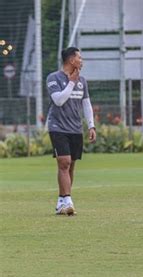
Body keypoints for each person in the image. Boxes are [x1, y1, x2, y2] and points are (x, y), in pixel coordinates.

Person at [46, 47, 96, 215]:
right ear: (71, 60)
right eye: (79, 57)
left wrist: (91, 125)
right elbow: (58, 101)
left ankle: (61, 201)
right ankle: (67, 199)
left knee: (71, 165)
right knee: (64, 162)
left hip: (75, 128)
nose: (82, 61)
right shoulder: (53, 78)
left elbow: (86, 104)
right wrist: (71, 83)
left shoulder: (82, 80)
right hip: (57, 127)